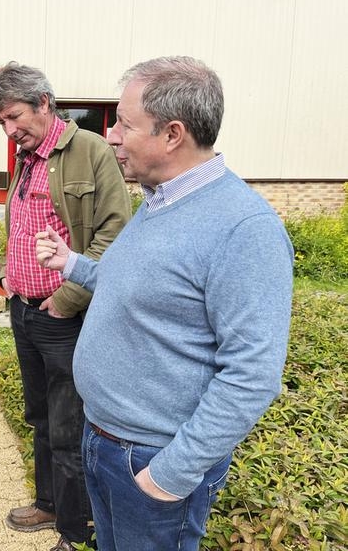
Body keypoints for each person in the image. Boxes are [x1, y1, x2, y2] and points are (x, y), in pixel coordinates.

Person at [35, 56, 294, 551]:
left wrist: (170, 474)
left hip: (151, 461)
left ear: (172, 135)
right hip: (104, 439)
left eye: (124, 124)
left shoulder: (245, 230)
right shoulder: (159, 201)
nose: (110, 135)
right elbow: (133, 286)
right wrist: (71, 264)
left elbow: (253, 374)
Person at [0, 62, 131, 551]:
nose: (8, 129)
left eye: (14, 116)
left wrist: (68, 299)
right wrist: (9, 278)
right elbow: (25, 227)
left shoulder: (89, 150)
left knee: (69, 428)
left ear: (44, 102)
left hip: (64, 316)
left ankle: (75, 530)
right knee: (41, 417)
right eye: (1, 121)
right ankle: (48, 503)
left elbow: (114, 232)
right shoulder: (27, 157)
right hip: (24, 310)